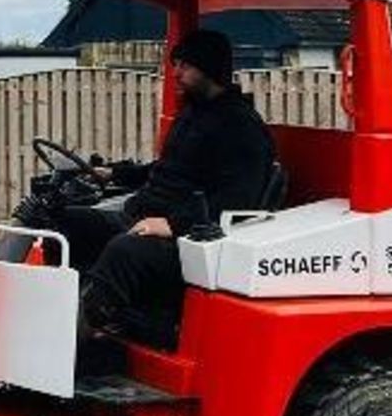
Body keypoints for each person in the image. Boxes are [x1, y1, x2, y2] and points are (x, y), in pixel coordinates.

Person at [62, 28, 274, 357]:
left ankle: (69, 348)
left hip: (194, 238)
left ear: (210, 68)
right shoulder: (193, 113)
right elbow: (166, 168)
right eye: (175, 63)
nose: (175, 72)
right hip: (142, 216)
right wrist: (115, 173)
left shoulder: (241, 128)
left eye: (185, 65)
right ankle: (62, 315)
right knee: (68, 222)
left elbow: (236, 202)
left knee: (124, 252)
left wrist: (172, 225)